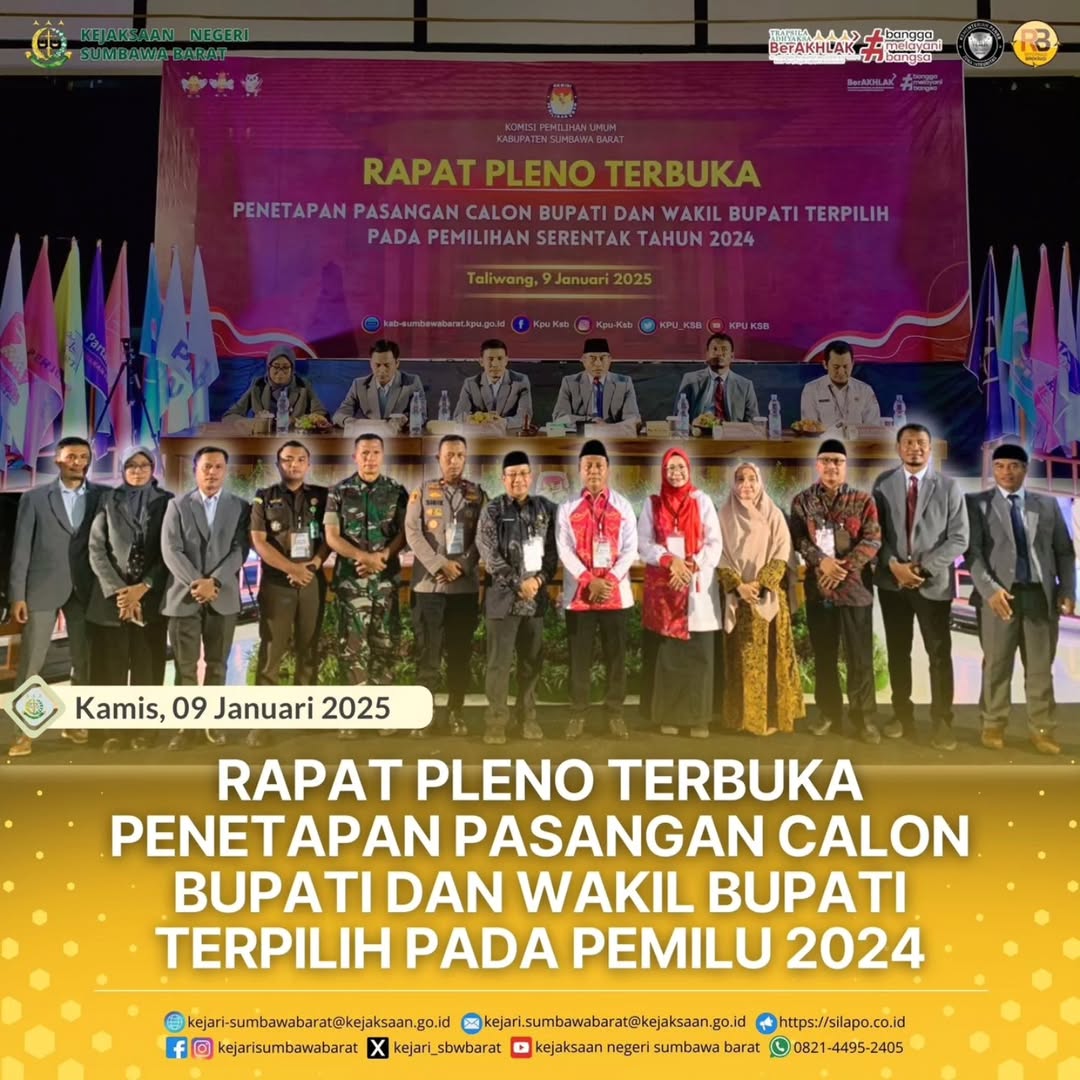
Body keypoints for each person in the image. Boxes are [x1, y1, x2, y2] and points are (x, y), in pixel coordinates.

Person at [965, 444, 1075, 755]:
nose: (1006, 472)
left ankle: (1042, 731)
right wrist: (990, 590)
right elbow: (973, 554)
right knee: (996, 666)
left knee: (1040, 669)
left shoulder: (1047, 505)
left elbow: (1064, 552)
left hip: (1040, 597)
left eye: (1014, 465)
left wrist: (1068, 590)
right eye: (1000, 466)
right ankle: (992, 725)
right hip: (999, 598)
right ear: (993, 469)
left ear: (1025, 469)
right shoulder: (976, 503)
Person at [873, 423, 969, 751]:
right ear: (898, 448)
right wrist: (894, 565)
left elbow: (959, 538)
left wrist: (922, 568)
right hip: (893, 583)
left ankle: (942, 722)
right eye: (909, 442)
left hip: (933, 584)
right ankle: (901, 715)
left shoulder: (949, 487)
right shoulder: (883, 483)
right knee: (898, 651)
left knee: (938, 654)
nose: (915, 448)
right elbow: (875, 532)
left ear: (930, 449)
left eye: (921, 443)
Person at [6, 437, 104, 758]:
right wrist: (17, 595)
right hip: (41, 589)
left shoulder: (102, 496)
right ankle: (25, 733)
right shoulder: (34, 498)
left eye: (83, 457)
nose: (78, 462)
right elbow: (21, 549)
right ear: (58, 461)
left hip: (86, 590)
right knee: (31, 666)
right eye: (71, 456)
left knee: (84, 662)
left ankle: (76, 724)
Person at [790, 439, 882, 743]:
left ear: (846, 465)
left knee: (860, 658)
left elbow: (872, 540)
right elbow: (799, 540)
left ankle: (864, 719)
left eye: (838, 461)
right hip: (820, 590)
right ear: (817, 465)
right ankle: (828, 713)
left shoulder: (863, 500)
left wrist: (843, 568)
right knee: (825, 655)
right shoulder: (802, 501)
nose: (832, 466)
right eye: (826, 460)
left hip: (855, 591)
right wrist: (823, 563)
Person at [161, 447, 251, 751]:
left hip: (222, 597)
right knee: (184, 666)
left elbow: (240, 549)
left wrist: (215, 582)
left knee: (217, 665)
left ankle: (213, 723)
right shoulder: (177, 505)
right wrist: (197, 583)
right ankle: (186, 726)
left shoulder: (239, 506)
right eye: (206, 467)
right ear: (195, 470)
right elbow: (171, 550)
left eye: (217, 467)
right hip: (184, 597)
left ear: (225, 471)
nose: (211, 473)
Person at [87, 447, 174, 753]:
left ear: (153, 468)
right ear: (122, 469)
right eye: (131, 465)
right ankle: (112, 732)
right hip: (112, 600)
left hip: (151, 599)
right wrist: (120, 592)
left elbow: (169, 552)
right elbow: (96, 549)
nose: (137, 470)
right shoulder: (108, 499)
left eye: (144, 465)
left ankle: (144, 731)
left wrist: (143, 587)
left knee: (147, 668)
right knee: (111, 669)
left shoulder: (167, 502)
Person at [324, 434, 408, 738]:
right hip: (352, 580)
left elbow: (404, 532)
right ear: (355, 456)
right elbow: (332, 536)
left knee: (385, 644)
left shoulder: (397, 491)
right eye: (364, 453)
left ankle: (383, 712)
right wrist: (362, 557)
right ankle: (354, 714)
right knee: (352, 647)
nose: (370, 458)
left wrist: (382, 557)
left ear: (382, 456)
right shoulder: (338, 491)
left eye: (375, 452)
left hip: (385, 580)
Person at [405, 434, 488, 737]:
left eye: (460, 455)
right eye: (449, 455)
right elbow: (412, 532)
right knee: (428, 653)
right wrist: (439, 564)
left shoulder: (478, 495)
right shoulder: (422, 492)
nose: (454, 461)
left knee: (459, 653)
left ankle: (456, 711)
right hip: (429, 588)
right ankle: (422, 714)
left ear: (466, 459)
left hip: (463, 589)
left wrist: (462, 565)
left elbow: (483, 535)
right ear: (438, 459)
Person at [248, 441, 330, 747]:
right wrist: (291, 569)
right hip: (277, 584)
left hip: (312, 580)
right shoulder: (264, 496)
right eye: (287, 460)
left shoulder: (322, 496)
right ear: (278, 464)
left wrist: (314, 564)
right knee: (272, 652)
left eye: (299, 459)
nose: (293, 464)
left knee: (309, 649)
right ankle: (262, 723)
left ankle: (304, 714)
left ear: (308, 463)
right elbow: (259, 541)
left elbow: (330, 536)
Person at [638, 448, 723, 738]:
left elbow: (714, 542)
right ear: (663, 472)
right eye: (670, 468)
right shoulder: (653, 503)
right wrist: (669, 561)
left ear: (689, 470)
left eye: (680, 467)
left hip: (697, 587)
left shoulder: (702, 500)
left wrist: (690, 565)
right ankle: (669, 716)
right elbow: (644, 543)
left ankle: (699, 718)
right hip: (666, 588)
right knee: (669, 657)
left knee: (700, 656)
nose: (676, 473)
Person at [555, 440, 637, 741]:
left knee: (616, 658)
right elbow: (564, 549)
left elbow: (630, 549)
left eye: (598, 465)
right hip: (580, 596)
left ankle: (615, 714)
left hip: (615, 595)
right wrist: (589, 580)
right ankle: (577, 713)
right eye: (587, 465)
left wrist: (609, 580)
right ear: (579, 470)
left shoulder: (623, 506)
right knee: (580, 658)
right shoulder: (567, 508)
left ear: (608, 470)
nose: (593, 471)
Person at [476, 450, 558, 745]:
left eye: (523, 473)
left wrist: (538, 581)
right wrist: (517, 582)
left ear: (530, 476)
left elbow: (553, 553)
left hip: (534, 600)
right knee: (498, 665)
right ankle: (496, 721)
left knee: (531, 663)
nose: (518, 479)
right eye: (512, 475)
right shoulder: (493, 510)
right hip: (502, 600)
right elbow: (488, 554)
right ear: (503, 478)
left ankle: (528, 718)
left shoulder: (546, 509)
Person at [717, 462, 804, 736]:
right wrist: (738, 585)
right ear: (733, 483)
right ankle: (741, 719)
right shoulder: (724, 515)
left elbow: (782, 552)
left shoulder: (773, 514)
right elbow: (719, 555)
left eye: (752, 478)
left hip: (769, 598)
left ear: (760, 482)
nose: (746, 484)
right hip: (739, 599)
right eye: (740, 479)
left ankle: (772, 719)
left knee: (773, 658)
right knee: (741, 661)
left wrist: (761, 583)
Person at [223, 345, 329, 424]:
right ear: (269, 368)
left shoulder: (303, 385)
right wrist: (253, 423)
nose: (280, 372)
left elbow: (320, 413)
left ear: (292, 370)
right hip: (263, 439)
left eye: (285, 367)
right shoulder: (258, 385)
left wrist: (297, 421)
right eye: (276, 366)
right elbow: (230, 416)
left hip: (295, 438)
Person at [332, 339, 426, 426]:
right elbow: (339, 414)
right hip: (371, 434)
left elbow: (422, 415)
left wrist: (407, 421)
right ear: (370, 363)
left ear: (397, 363)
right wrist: (348, 421)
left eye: (387, 365)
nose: (382, 370)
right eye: (377, 365)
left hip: (400, 435)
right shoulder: (359, 385)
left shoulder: (412, 382)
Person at [552, 338, 640, 426]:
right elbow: (560, 418)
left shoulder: (624, 383)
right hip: (581, 433)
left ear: (610, 360)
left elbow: (633, 419)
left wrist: (608, 427)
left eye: (602, 358)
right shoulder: (570, 383)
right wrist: (591, 421)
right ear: (584, 360)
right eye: (592, 358)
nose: (598, 364)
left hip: (614, 433)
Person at [674, 333, 759, 422]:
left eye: (724, 349)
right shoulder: (690, 380)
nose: (719, 353)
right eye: (715, 349)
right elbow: (678, 417)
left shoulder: (745, 386)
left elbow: (753, 422)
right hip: (699, 429)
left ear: (732, 356)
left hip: (732, 430)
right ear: (707, 354)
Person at [799, 339, 881, 428]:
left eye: (845, 366)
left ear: (852, 364)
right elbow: (810, 428)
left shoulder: (865, 391)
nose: (841, 372)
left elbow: (873, 427)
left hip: (858, 437)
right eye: (836, 367)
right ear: (825, 364)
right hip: (824, 437)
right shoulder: (811, 390)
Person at [454, 339, 533, 425]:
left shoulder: (521, 381)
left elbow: (525, 418)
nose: (495, 364)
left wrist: (503, 422)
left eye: (500, 358)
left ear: (506, 360)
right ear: (481, 362)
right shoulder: (470, 384)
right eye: (490, 359)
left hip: (508, 432)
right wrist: (473, 419)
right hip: (479, 432)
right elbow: (458, 416)